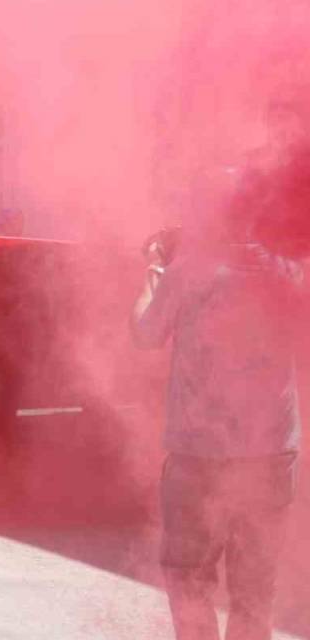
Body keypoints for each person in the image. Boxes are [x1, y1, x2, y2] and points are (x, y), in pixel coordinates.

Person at [131, 191, 305, 640]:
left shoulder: (190, 271)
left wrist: (156, 269)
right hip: (271, 453)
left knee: (188, 575)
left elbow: (145, 334)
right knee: (254, 589)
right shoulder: (292, 272)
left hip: (198, 454)